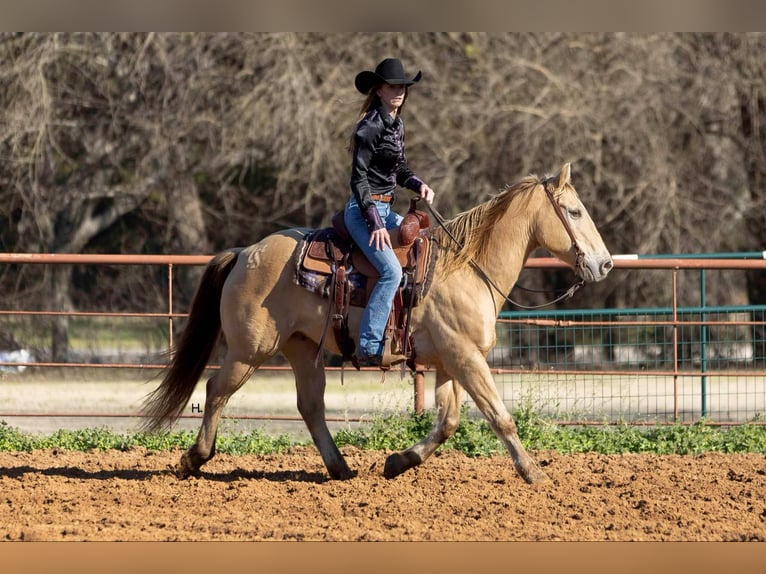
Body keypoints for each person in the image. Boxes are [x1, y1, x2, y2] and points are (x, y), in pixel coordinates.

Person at [344, 57, 435, 368]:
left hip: (385, 208)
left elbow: (399, 170)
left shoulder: (397, 124)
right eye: (392, 86)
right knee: (391, 271)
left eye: (403, 87)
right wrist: (374, 222)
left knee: (425, 244)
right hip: (362, 211)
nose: (399, 91)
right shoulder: (368, 128)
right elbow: (358, 179)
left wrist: (417, 182)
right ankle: (368, 344)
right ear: (379, 90)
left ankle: (414, 332)